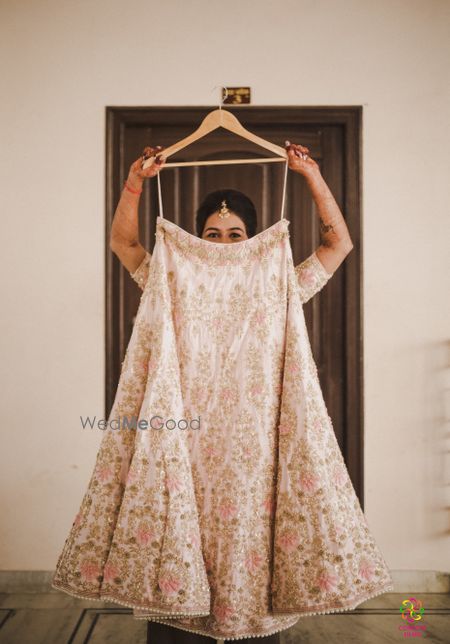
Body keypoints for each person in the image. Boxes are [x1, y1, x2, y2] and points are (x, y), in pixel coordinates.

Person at [109, 143, 354, 644]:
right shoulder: (172, 279)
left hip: (253, 447)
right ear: (198, 237)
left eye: (236, 234)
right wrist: (136, 180)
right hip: (184, 440)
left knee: (247, 550)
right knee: (181, 538)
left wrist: (309, 174)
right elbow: (125, 242)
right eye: (212, 234)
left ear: (252, 236)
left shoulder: (276, 280)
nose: (223, 242)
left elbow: (338, 244)